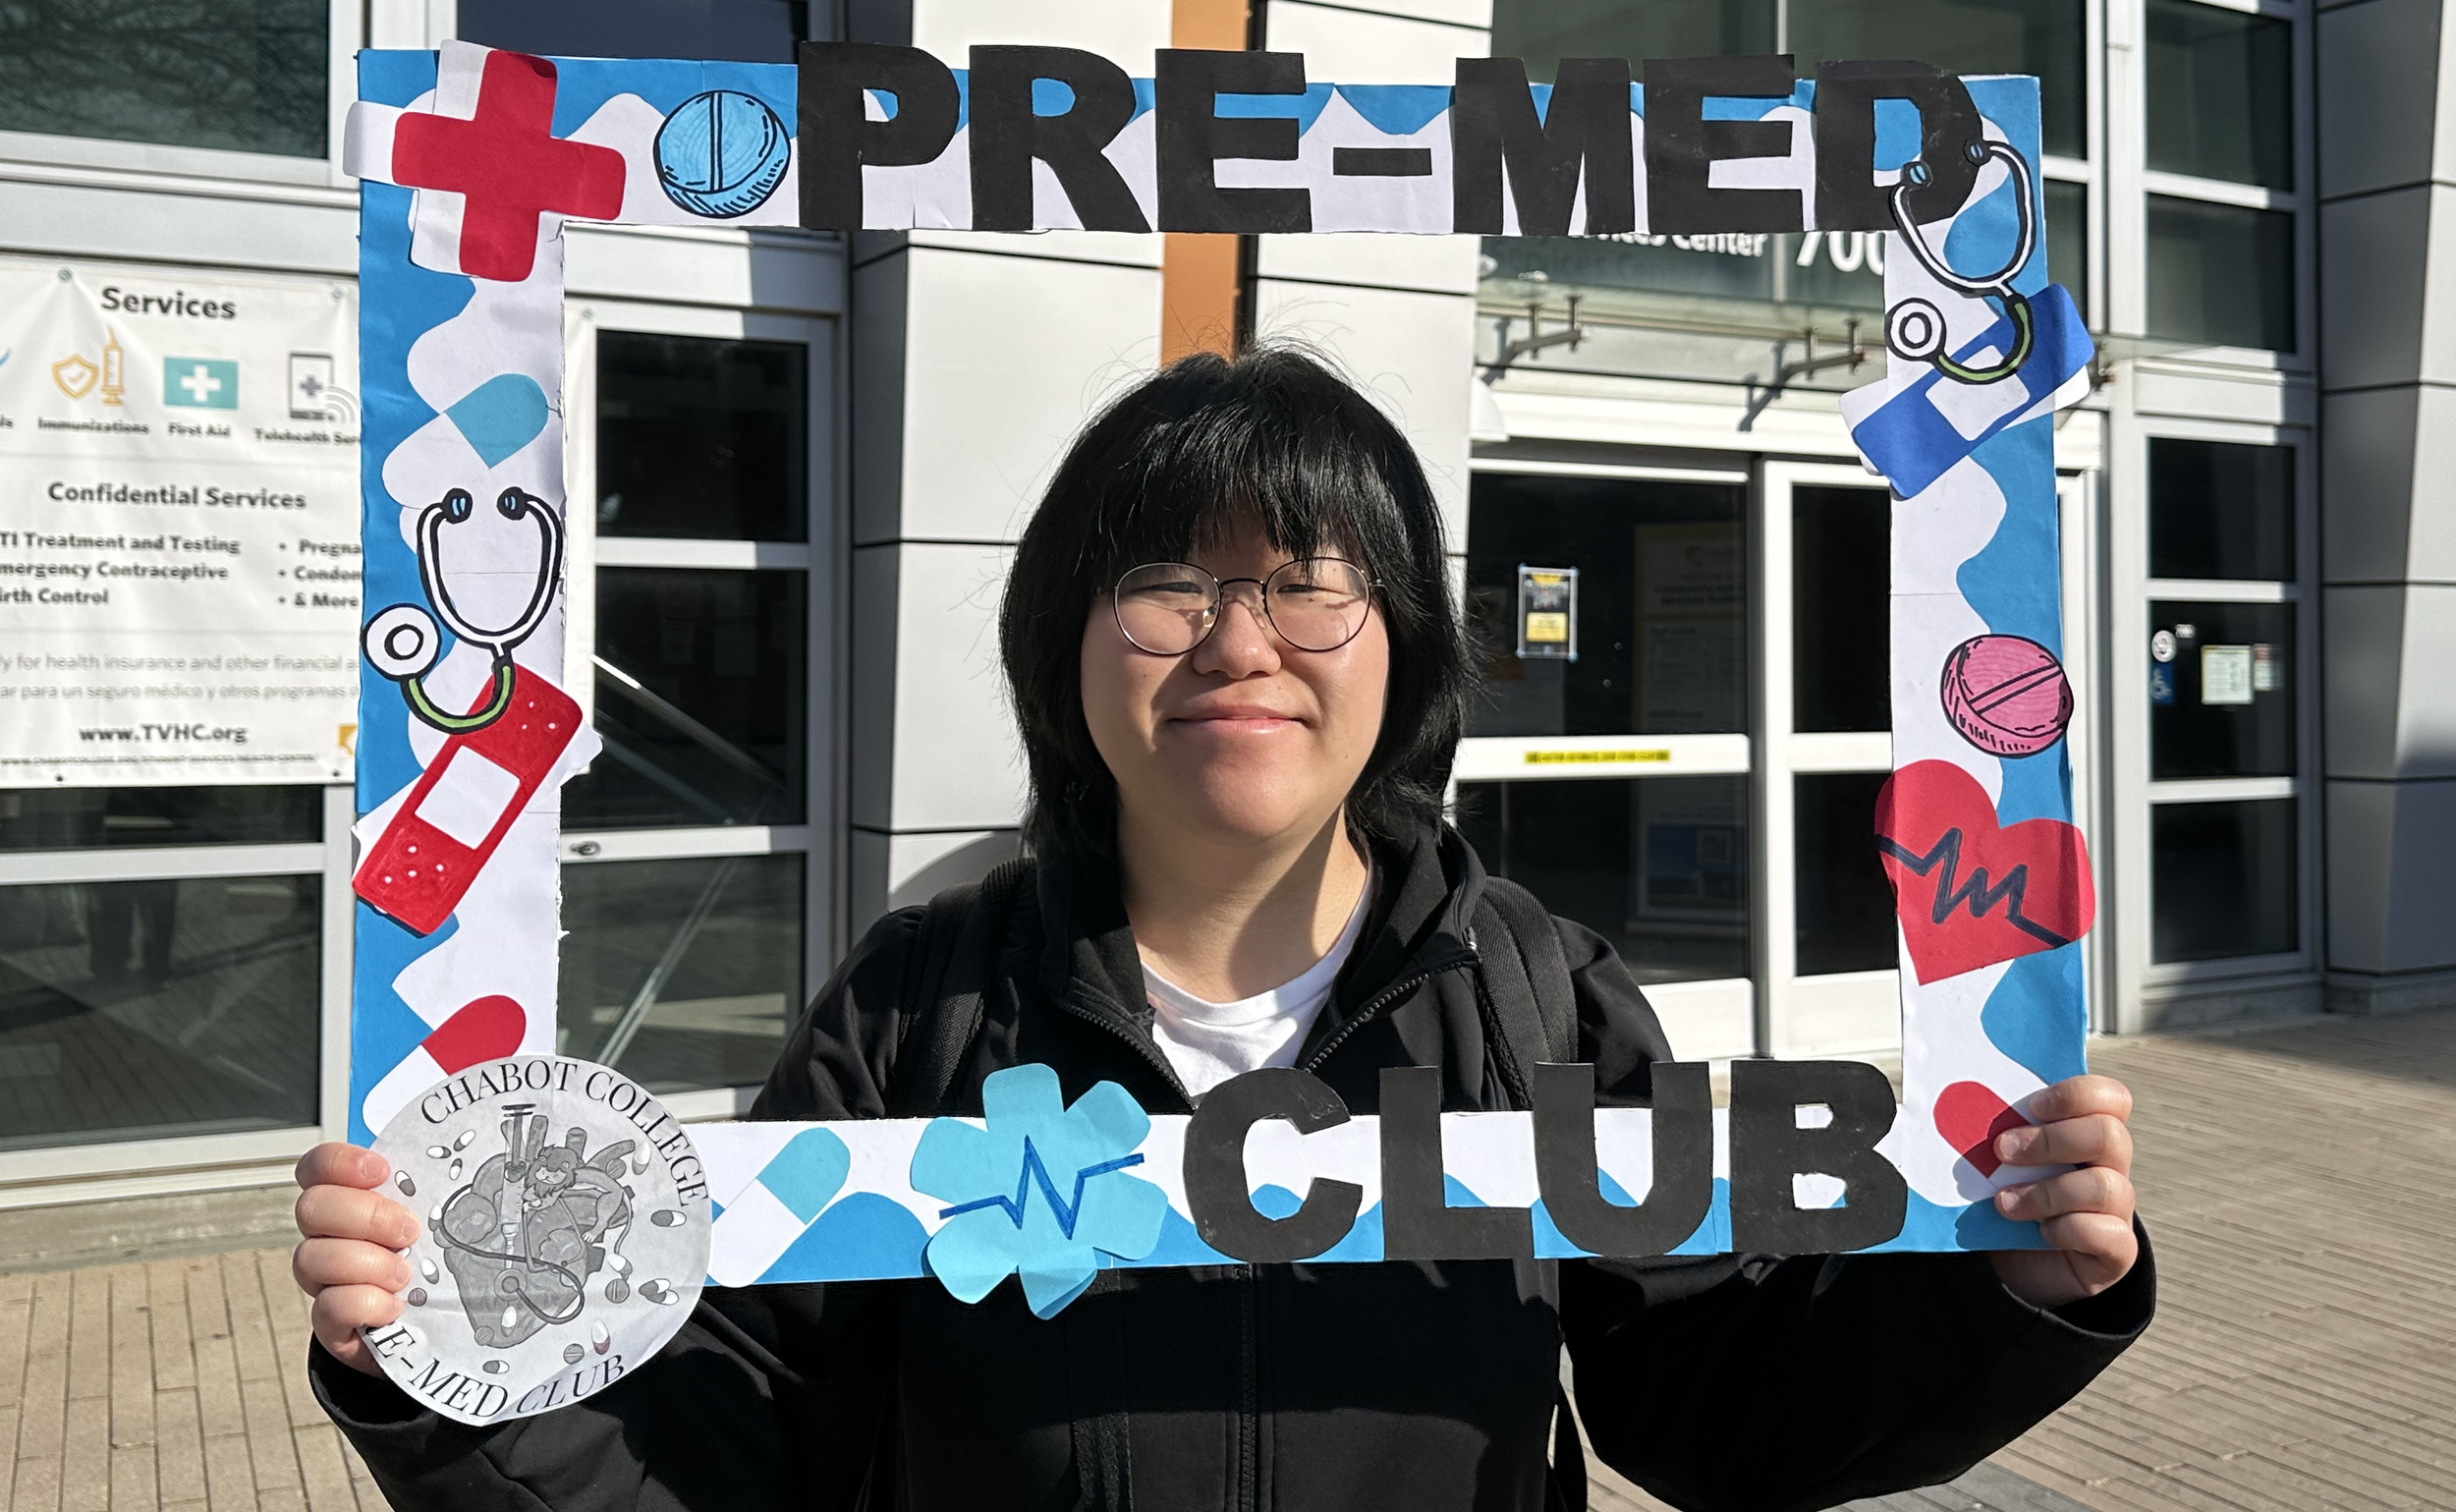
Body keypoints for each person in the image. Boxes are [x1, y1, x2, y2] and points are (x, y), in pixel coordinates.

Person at [295, 347, 2150, 1511]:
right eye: (1168, 578)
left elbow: (1722, 1403)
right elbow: (735, 1449)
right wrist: (452, 1363)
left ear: (1406, 648)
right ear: (1069, 645)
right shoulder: (922, 1005)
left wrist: (2004, 1290)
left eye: (1309, 583)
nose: (1238, 638)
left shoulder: (1531, 995)